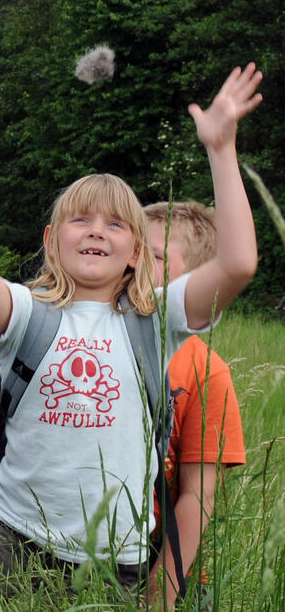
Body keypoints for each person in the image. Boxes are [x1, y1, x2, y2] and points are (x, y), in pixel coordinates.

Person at [0, 63, 260, 590]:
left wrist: (221, 149)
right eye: (82, 220)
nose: (97, 231)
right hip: (9, 533)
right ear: (53, 240)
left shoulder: (156, 320)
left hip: (113, 558)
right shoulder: (30, 310)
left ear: (136, 254)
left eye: (116, 223)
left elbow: (237, 264)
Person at [144, 201, 246, 607]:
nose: (132, 259)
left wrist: (160, 591)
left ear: (200, 280)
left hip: (157, 560)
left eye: (151, 254)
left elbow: (198, 495)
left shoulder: (207, 371)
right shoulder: (96, 333)